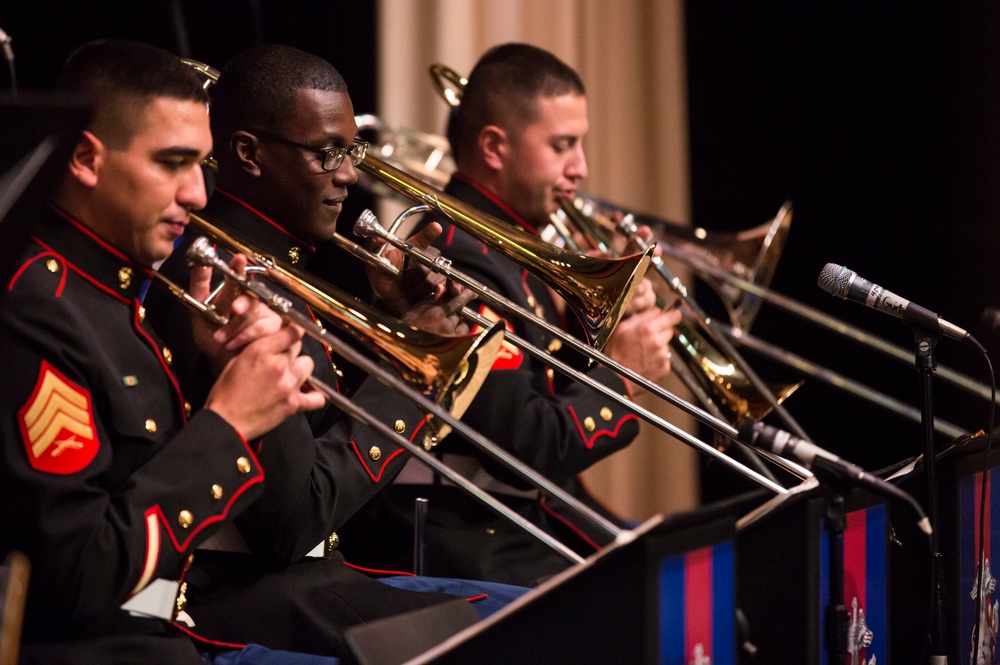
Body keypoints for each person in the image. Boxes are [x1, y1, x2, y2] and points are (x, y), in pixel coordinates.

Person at [145, 44, 527, 658]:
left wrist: (402, 327)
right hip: (247, 595)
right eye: (327, 153)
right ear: (247, 154)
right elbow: (294, 522)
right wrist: (409, 387)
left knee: (547, 609)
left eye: (352, 151)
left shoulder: (288, 265)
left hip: (317, 575)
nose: (349, 175)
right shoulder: (229, 280)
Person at [0, 39, 336, 664]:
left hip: (168, 635)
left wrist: (225, 364)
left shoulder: (116, 293)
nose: (198, 195)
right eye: (173, 163)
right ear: (84, 158)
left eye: (202, 166)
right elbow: (77, 577)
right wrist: (229, 423)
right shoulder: (35, 307)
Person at [338, 43, 683, 587]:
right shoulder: (454, 253)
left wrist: (600, 324)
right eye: (562, 145)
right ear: (495, 147)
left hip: (517, 522)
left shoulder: (514, 248)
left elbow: (539, 384)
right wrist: (622, 374)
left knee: (700, 565)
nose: (582, 168)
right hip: (466, 537)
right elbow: (526, 443)